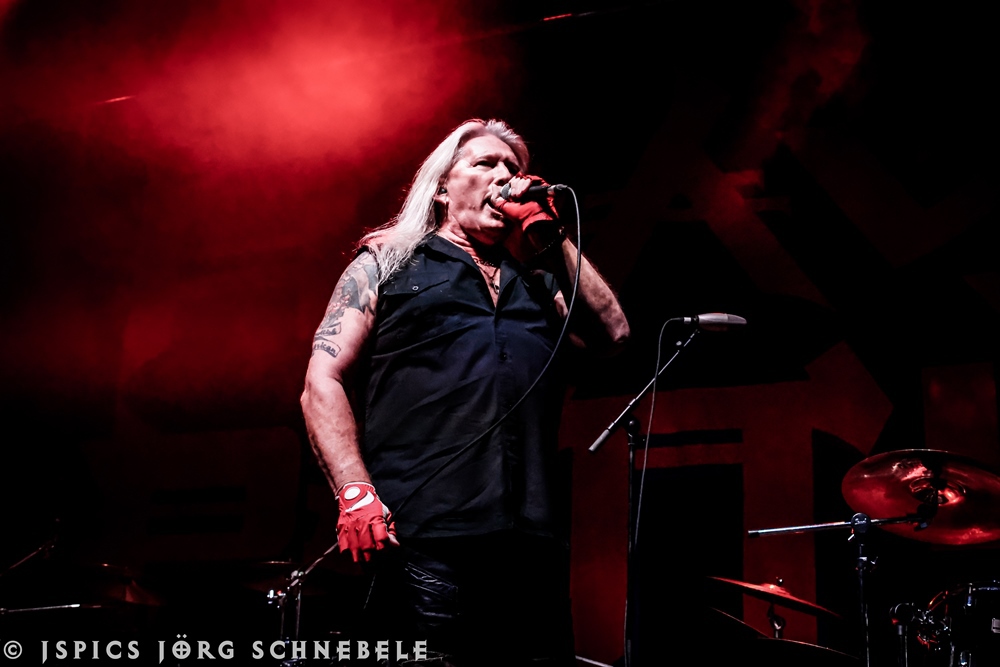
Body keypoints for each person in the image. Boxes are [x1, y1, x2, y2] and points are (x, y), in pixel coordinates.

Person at [300, 118, 630, 666]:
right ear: (442, 188)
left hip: (530, 543)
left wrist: (550, 237)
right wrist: (354, 491)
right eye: (485, 163)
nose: (505, 176)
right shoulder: (388, 263)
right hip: (421, 537)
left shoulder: (540, 281)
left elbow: (614, 335)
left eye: (513, 168)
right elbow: (322, 380)